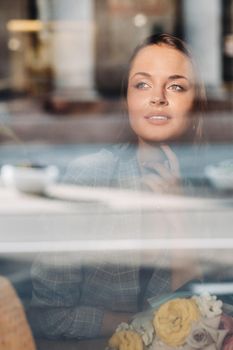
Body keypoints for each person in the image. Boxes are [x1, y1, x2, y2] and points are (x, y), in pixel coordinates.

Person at [29, 34, 207, 340]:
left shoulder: (210, 185)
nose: (158, 97)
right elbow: (50, 316)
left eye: (175, 86)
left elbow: (201, 315)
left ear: (196, 103)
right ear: (127, 98)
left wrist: (179, 220)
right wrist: (140, 324)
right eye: (142, 84)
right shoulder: (91, 175)